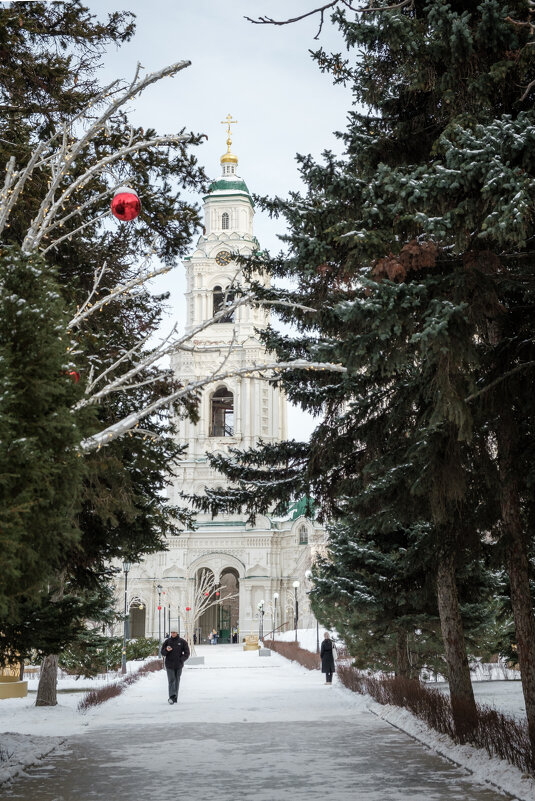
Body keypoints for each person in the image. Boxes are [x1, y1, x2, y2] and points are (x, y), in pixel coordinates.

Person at [161, 629, 190, 704]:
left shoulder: (182, 642)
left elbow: (187, 653)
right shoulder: (167, 641)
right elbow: (162, 652)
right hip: (169, 665)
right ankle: (171, 697)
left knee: (177, 681)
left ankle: (175, 697)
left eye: (174, 632)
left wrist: (181, 659)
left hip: (178, 665)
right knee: (171, 680)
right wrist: (166, 650)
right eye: (172, 632)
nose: (173, 634)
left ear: (177, 633)